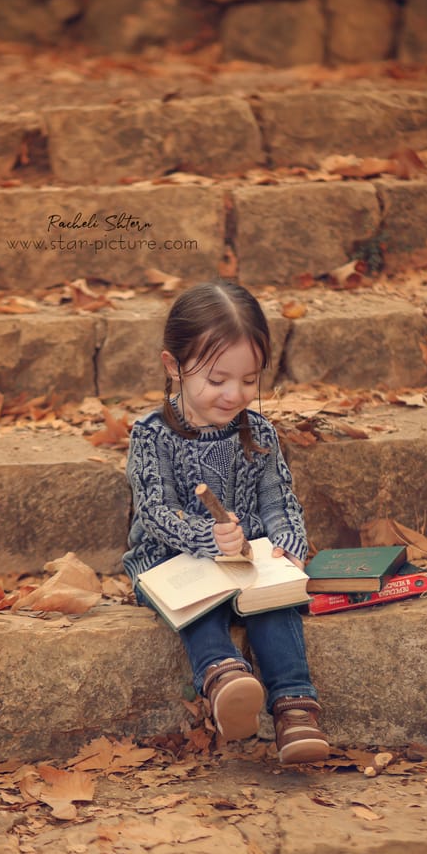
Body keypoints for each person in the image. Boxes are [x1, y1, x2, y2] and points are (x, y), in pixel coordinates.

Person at [123, 280, 329, 766]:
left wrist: (285, 541)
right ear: (173, 367)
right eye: (217, 380)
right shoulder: (152, 437)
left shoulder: (257, 433)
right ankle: (224, 678)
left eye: (250, 380)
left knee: (274, 606)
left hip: (248, 561)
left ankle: (295, 707)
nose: (235, 394)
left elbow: (278, 499)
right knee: (199, 604)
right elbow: (155, 511)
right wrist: (204, 536)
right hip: (170, 561)